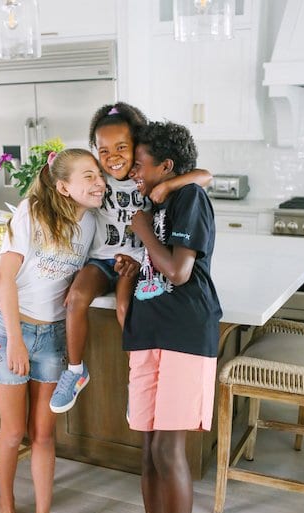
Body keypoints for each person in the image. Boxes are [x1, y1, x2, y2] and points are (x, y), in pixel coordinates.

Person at [121, 121, 222, 513]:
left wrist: (141, 230)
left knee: (167, 450)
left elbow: (179, 271)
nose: (133, 173)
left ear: (165, 166)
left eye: (140, 164)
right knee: (147, 454)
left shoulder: (188, 202)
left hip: (185, 331)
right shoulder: (160, 200)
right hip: (149, 332)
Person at [50, 101, 212, 413]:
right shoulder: (98, 178)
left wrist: (171, 185)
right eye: (104, 150)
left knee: (126, 309)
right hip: (101, 260)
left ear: (137, 145)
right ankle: (74, 371)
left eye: (122, 147)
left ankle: (136, 383)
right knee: (75, 298)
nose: (112, 158)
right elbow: (65, 183)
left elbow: (204, 175)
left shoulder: (148, 178)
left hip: (135, 261)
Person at [0, 148, 106, 513]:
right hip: (12, 331)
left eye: (100, 175)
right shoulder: (29, 214)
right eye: (88, 176)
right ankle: (6, 506)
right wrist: (17, 340)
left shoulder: (91, 224)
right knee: (13, 431)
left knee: (42, 434)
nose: (98, 182)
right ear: (63, 186)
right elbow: (4, 279)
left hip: (54, 337)